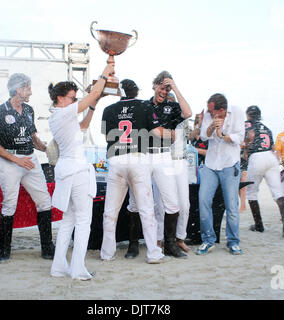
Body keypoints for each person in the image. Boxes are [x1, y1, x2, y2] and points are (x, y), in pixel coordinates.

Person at [49, 61, 114, 280]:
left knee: (68, 220)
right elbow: (93, 92)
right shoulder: (63, 113)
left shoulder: (59, 115)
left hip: (67, 171)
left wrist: (94, 103)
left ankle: (59, 267)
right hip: (75, 171)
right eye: (72, 98)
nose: (75, 101)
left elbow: (84, 125)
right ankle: (78, 269)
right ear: (61, 98)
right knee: (83, 221)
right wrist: (105, 71)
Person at [0, 73, 54, 263]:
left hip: (30, 160)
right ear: (18, 89)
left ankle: (47, 248)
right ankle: (5, 250)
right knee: (10, 204)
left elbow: (33, 137)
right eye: (28, 88)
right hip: (10, 161)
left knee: (44, 201)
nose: (30, 92)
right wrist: (16, 161)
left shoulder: (29, 110)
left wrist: (47, 149)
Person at [100, 79, 165, 264]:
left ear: (121, 92)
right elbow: (158, 133)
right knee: (146, 210)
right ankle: (153, 253)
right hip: (137, 159)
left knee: (110, 212)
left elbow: (106, 137)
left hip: (117, 160)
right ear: (136, 91)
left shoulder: (109, 109)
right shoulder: (145, 106)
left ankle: (107, 253)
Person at [144, 71, 192, 258]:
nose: (164, 91)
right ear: (154, 85)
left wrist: (176, 87)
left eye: (167, 88)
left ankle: (173, 241)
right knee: (153, 204)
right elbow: (153, 131)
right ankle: (154, 241)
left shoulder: (171, 107)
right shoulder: (145, 105)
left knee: (177, 204)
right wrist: (163, 131)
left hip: (168, 158)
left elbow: (187, 113)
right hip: (148, 156)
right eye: (162, 86)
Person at [196, 93, 244, 256]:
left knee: (231, 205)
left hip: (230, 164)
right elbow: (203, 136)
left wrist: (222, 133)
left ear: (221, 110)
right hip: (210, 164)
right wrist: (210, 127)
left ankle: (233, 241)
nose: (209, 114)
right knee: (203, 200)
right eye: (209, 111)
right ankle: (208, 239)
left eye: (212, 112)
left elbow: (240, 137)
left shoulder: (237, 112)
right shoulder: (210, 115)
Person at [243, 105, 284, 238]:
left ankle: (259, 225)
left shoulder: (245, 124)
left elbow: (245, 140)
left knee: (251, 193)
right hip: (270, 157)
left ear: (248, 115)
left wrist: (245, 150)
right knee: (278, 191)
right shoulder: (267, 128)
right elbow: (272, 147)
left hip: (256, 157)